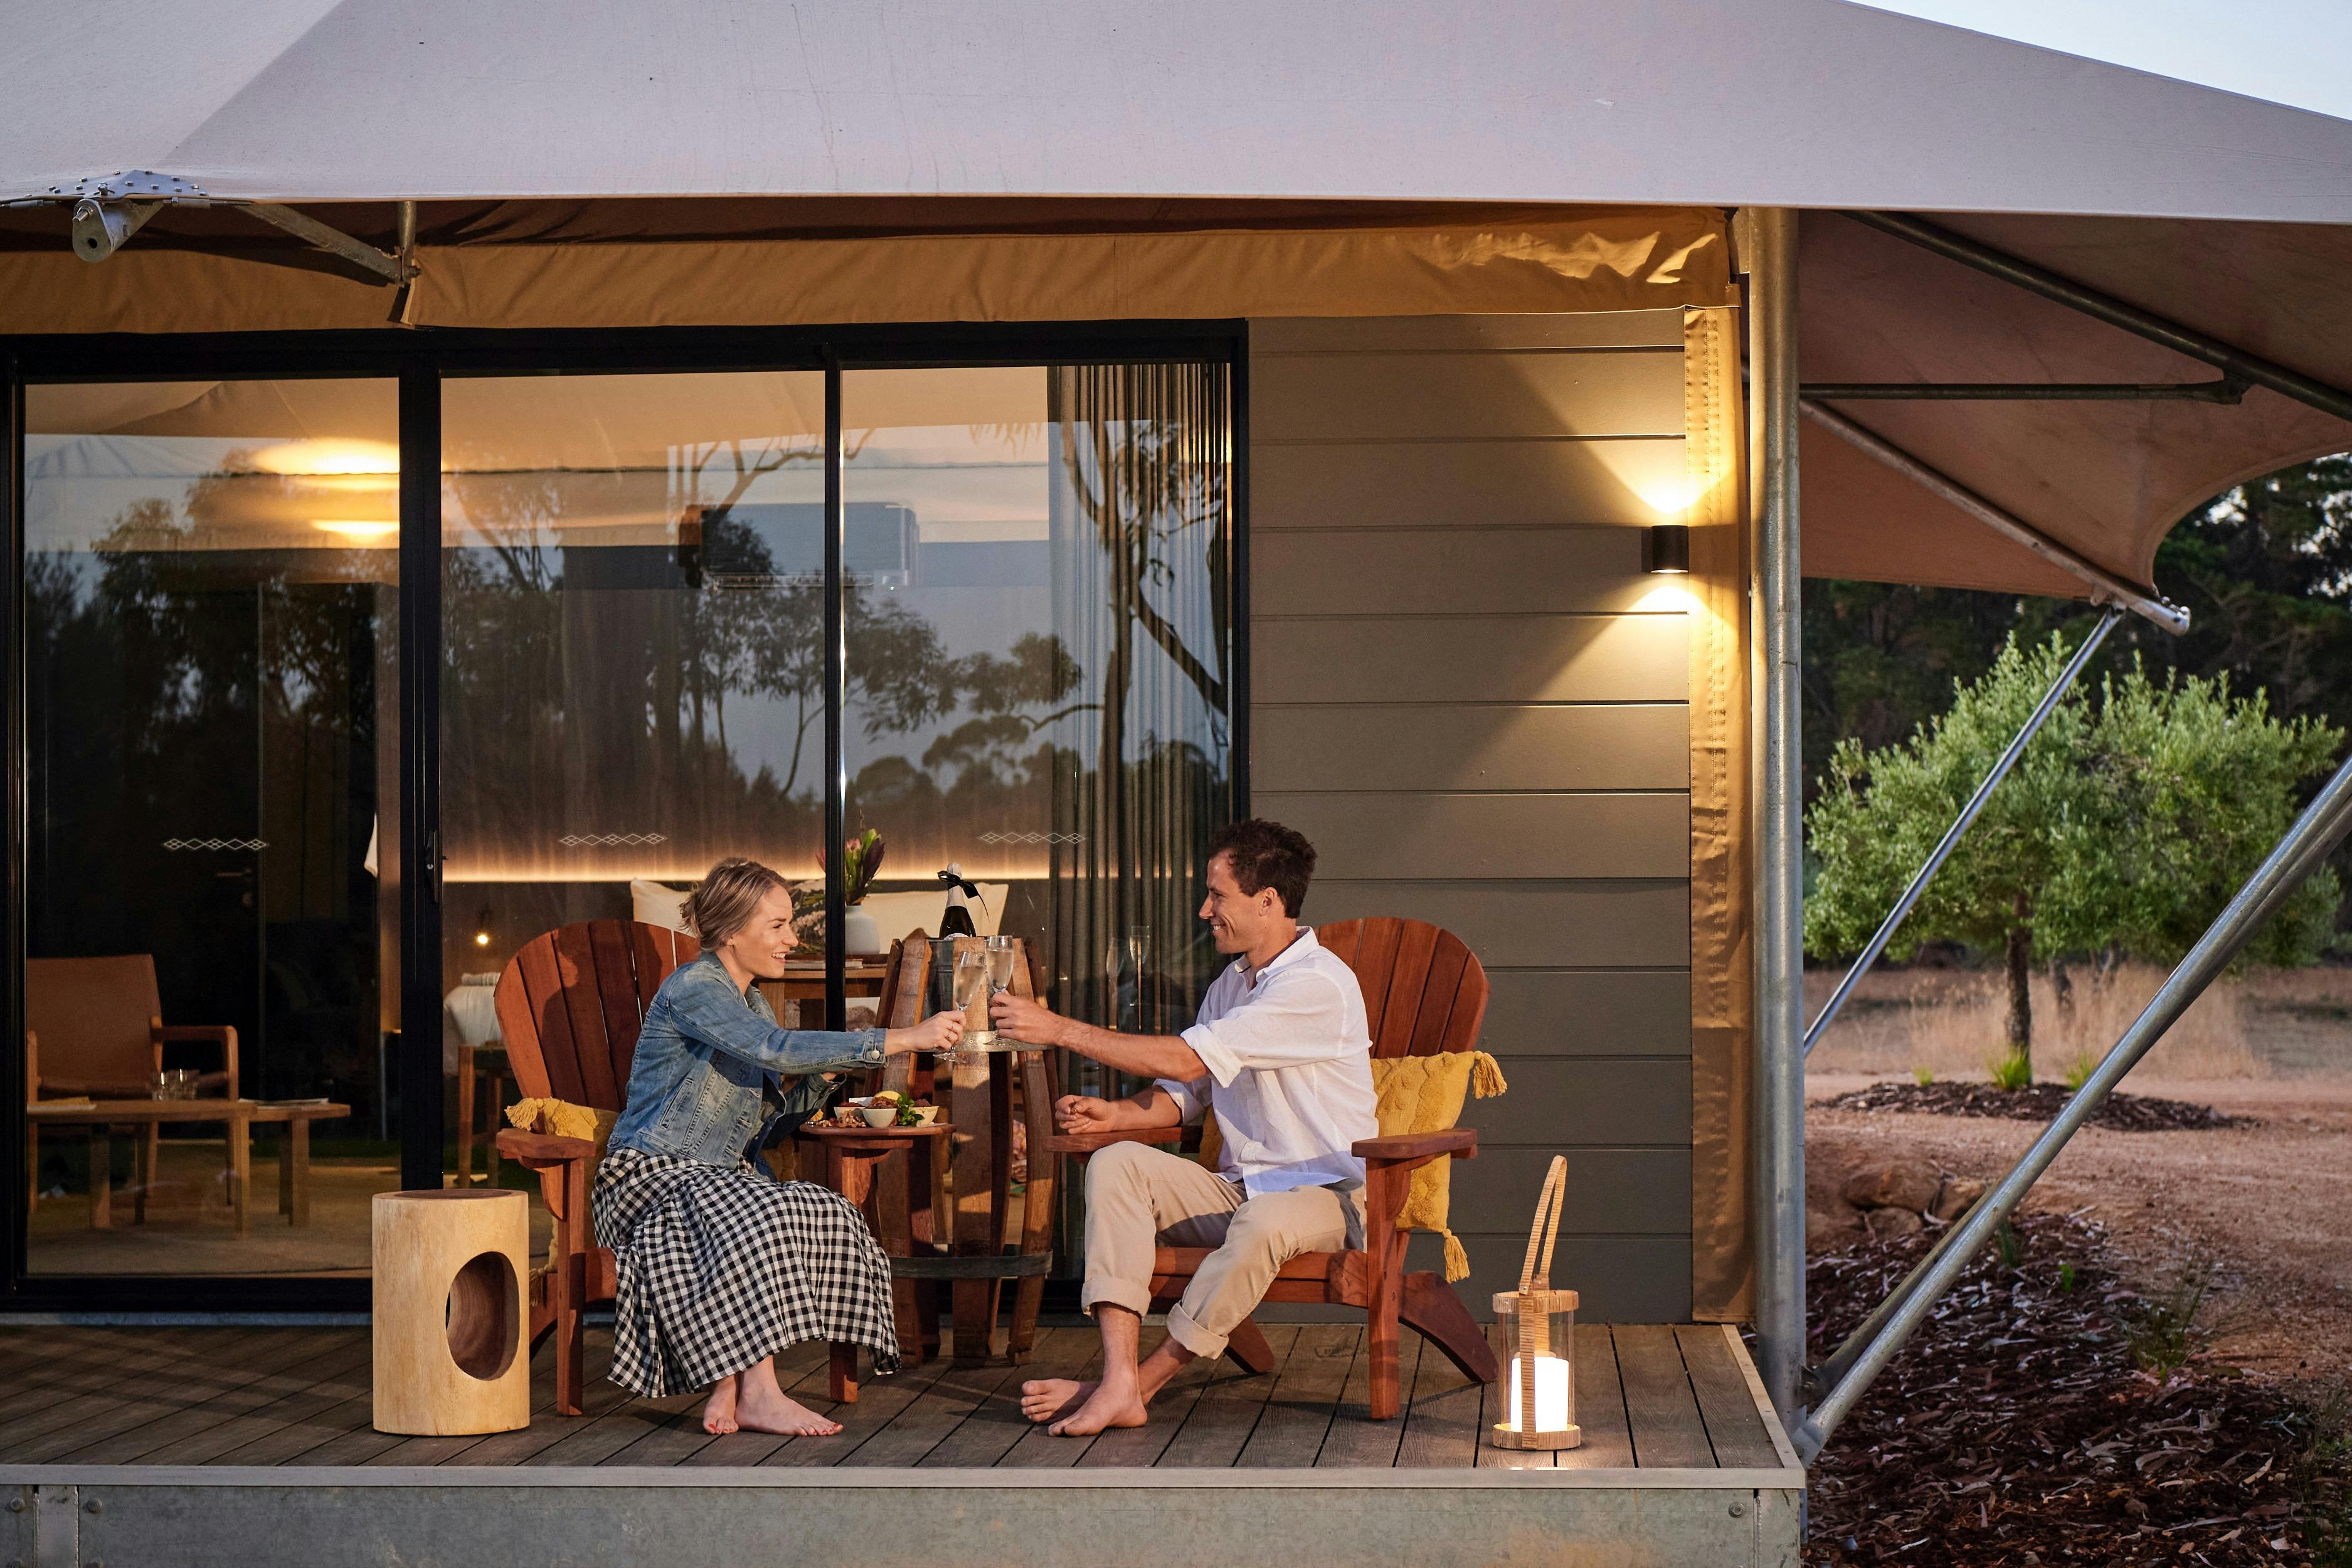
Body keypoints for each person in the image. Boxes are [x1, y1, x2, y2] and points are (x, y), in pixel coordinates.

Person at [988, 819, 1375, 1436]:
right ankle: (1118, 1379)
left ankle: (1140, 1384)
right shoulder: (1231, 986)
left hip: (1327, 1197)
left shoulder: (1315, 985)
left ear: (1268, 901)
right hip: (1242, 1191)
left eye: (1218, 895)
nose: (1204, 911)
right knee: (1117, 1162)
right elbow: (1187, 1093)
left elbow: (1189, 1059)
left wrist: (1057, 1028)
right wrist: (1116, 1116)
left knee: (1264, 1221)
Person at [595, 856, 965, 1437]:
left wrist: (826, 1079)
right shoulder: (695, 988)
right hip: (650, 1177)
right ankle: (761, 1395)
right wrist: (900, 1039)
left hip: (718, 1183)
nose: (792, 939)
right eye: (777, 925)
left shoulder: (754, 1005)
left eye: (790, 924)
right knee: (753, 1207)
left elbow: (763, 1129)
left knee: (819, 1206)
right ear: (729, 930)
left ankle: (729, 1382)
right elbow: (774, 1048)